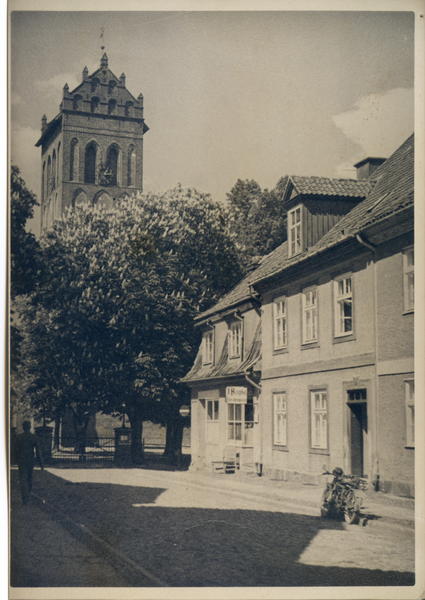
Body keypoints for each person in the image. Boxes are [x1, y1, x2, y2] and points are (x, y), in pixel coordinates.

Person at [16, 421, 44, 504]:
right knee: (29, 478)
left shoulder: (19, 437)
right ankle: (27, 494)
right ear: (30, 427)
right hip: (30, 460)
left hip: (21, 460)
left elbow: (15, 450)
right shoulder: (33, 437)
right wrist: (41, 463)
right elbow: (38, 451)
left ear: (23, 427)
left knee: (22, 478)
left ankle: (25, 496)